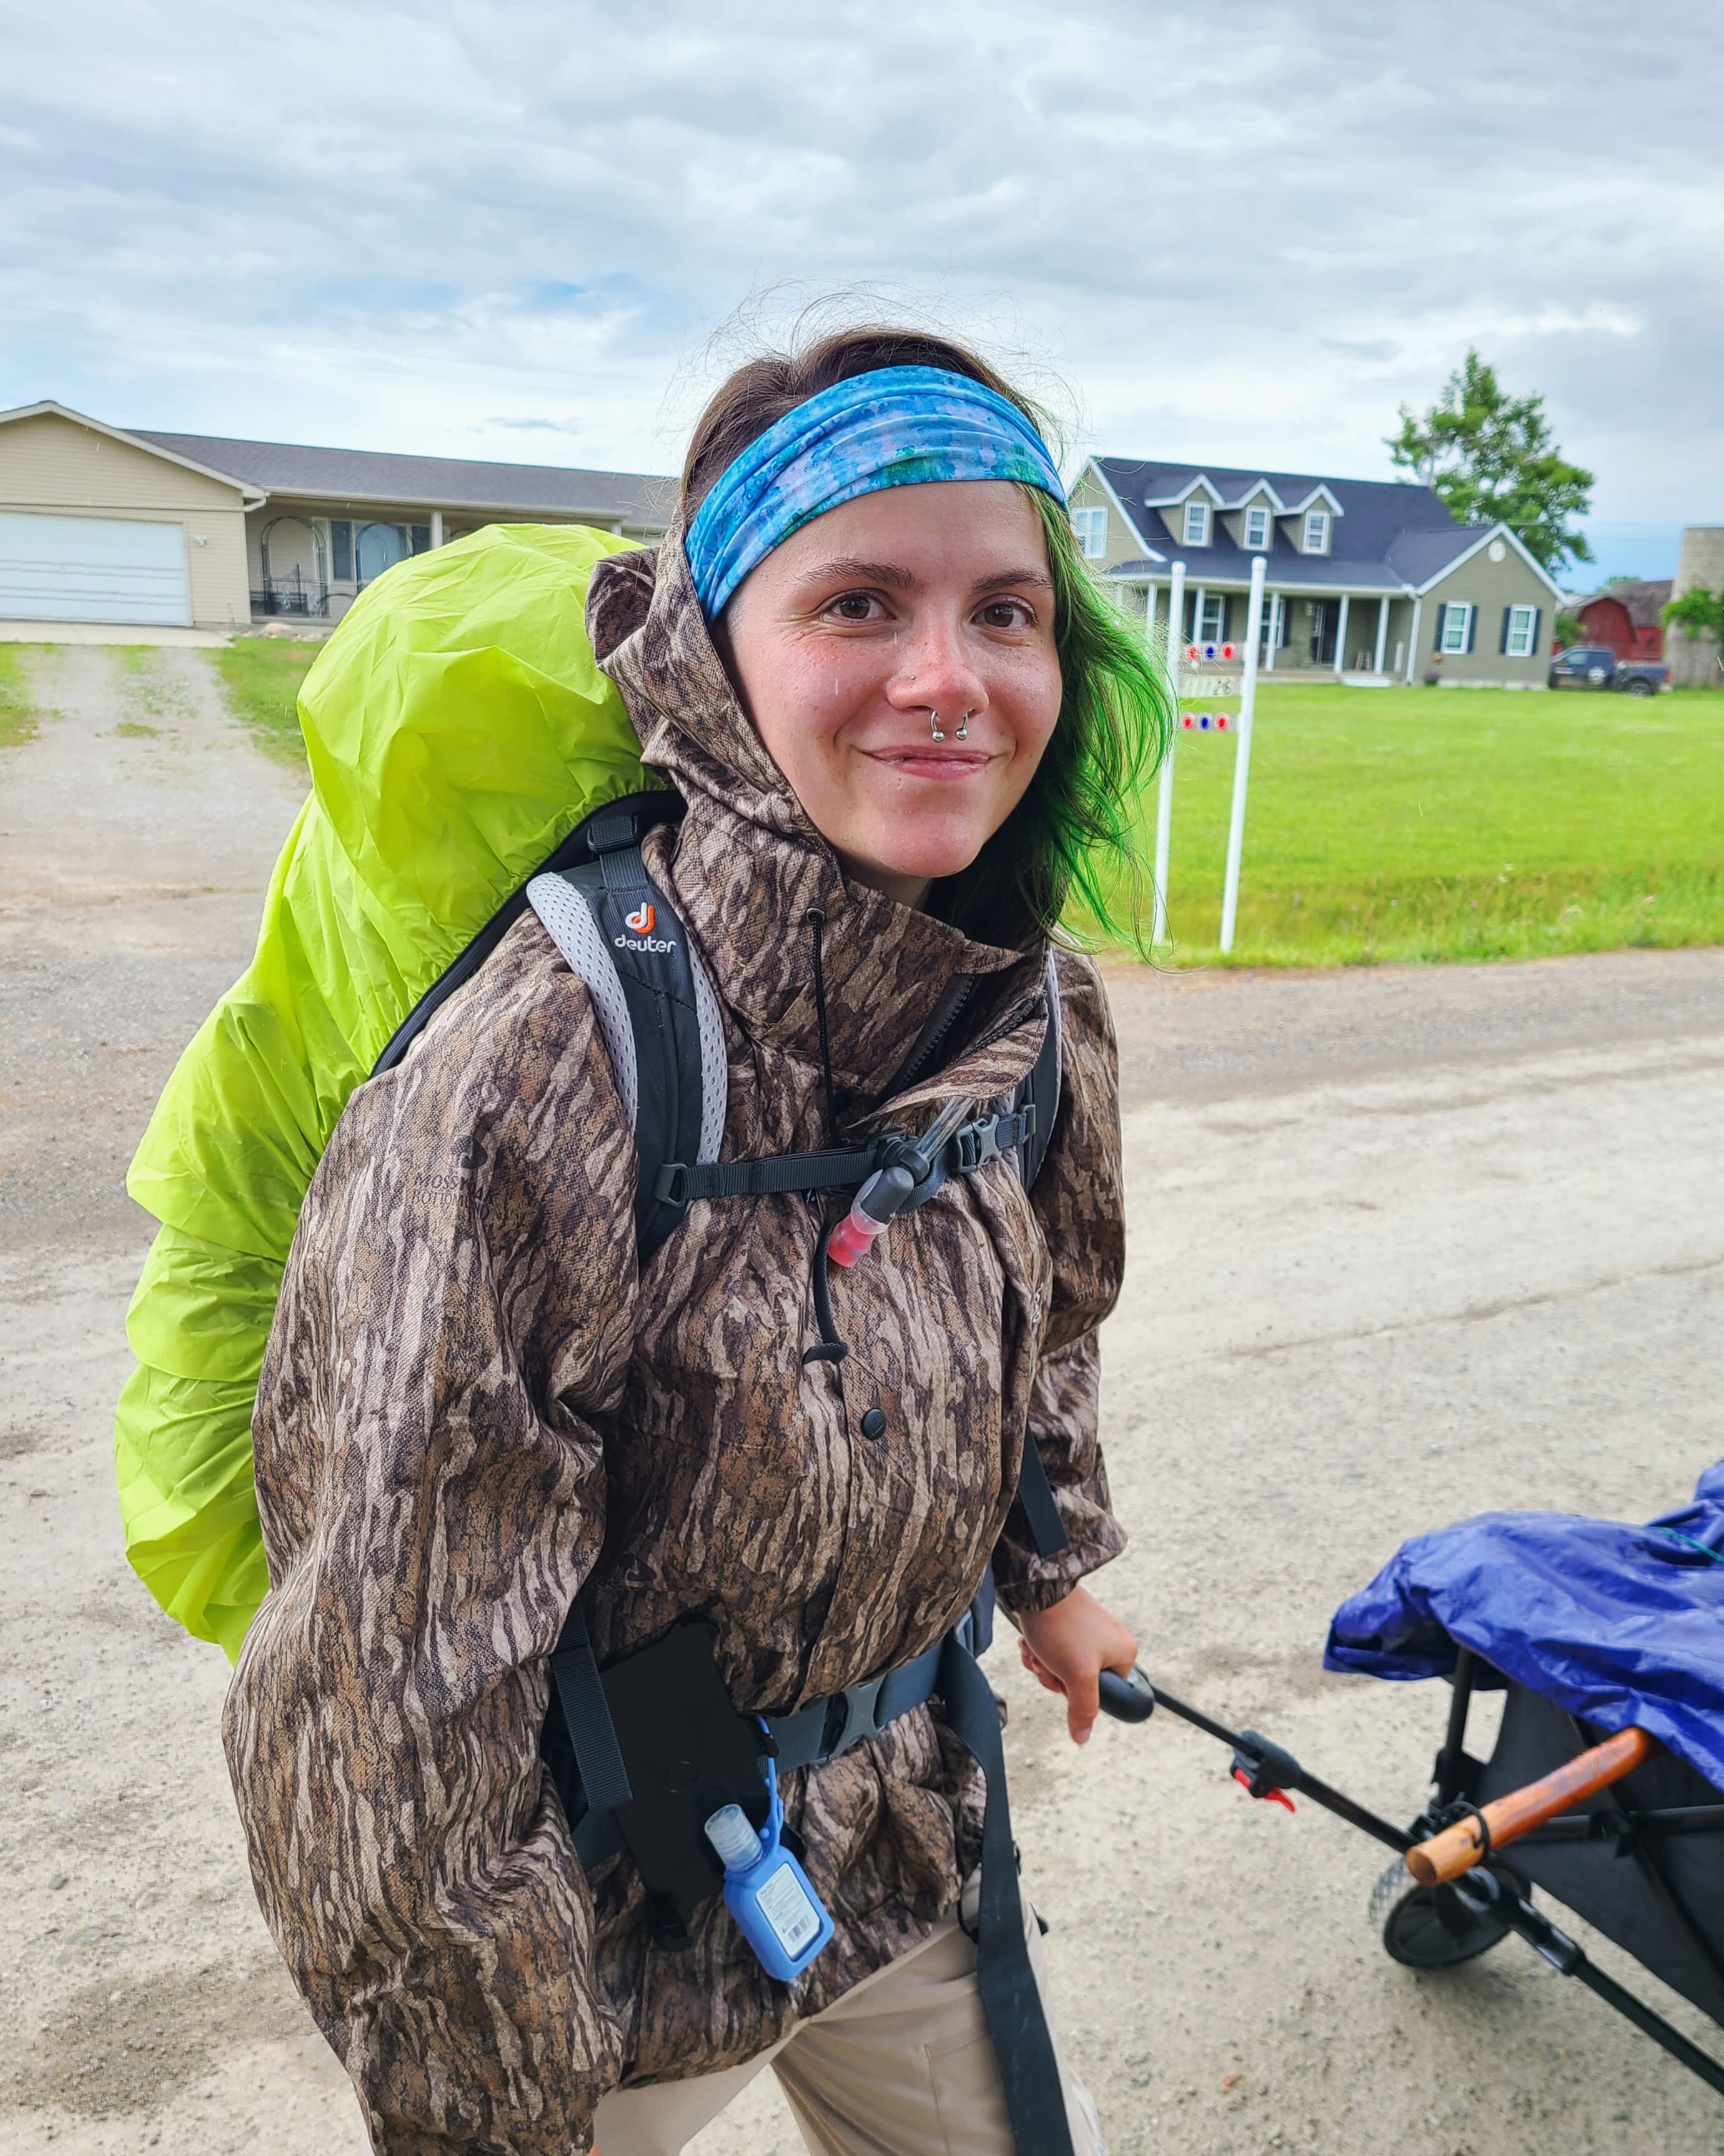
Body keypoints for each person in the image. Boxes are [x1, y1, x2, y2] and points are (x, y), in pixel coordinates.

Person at [222, 324, 1169, 2156]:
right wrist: (491, 2096)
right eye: (860, 605)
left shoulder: (1033, 1009)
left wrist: (1053, 1567)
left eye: (1007, 611)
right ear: (716, 648)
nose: (950, 679)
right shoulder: (538, 1069)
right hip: (602, 1928)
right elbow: (387, 1700)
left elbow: (1045, 1313)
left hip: (902, 1843)